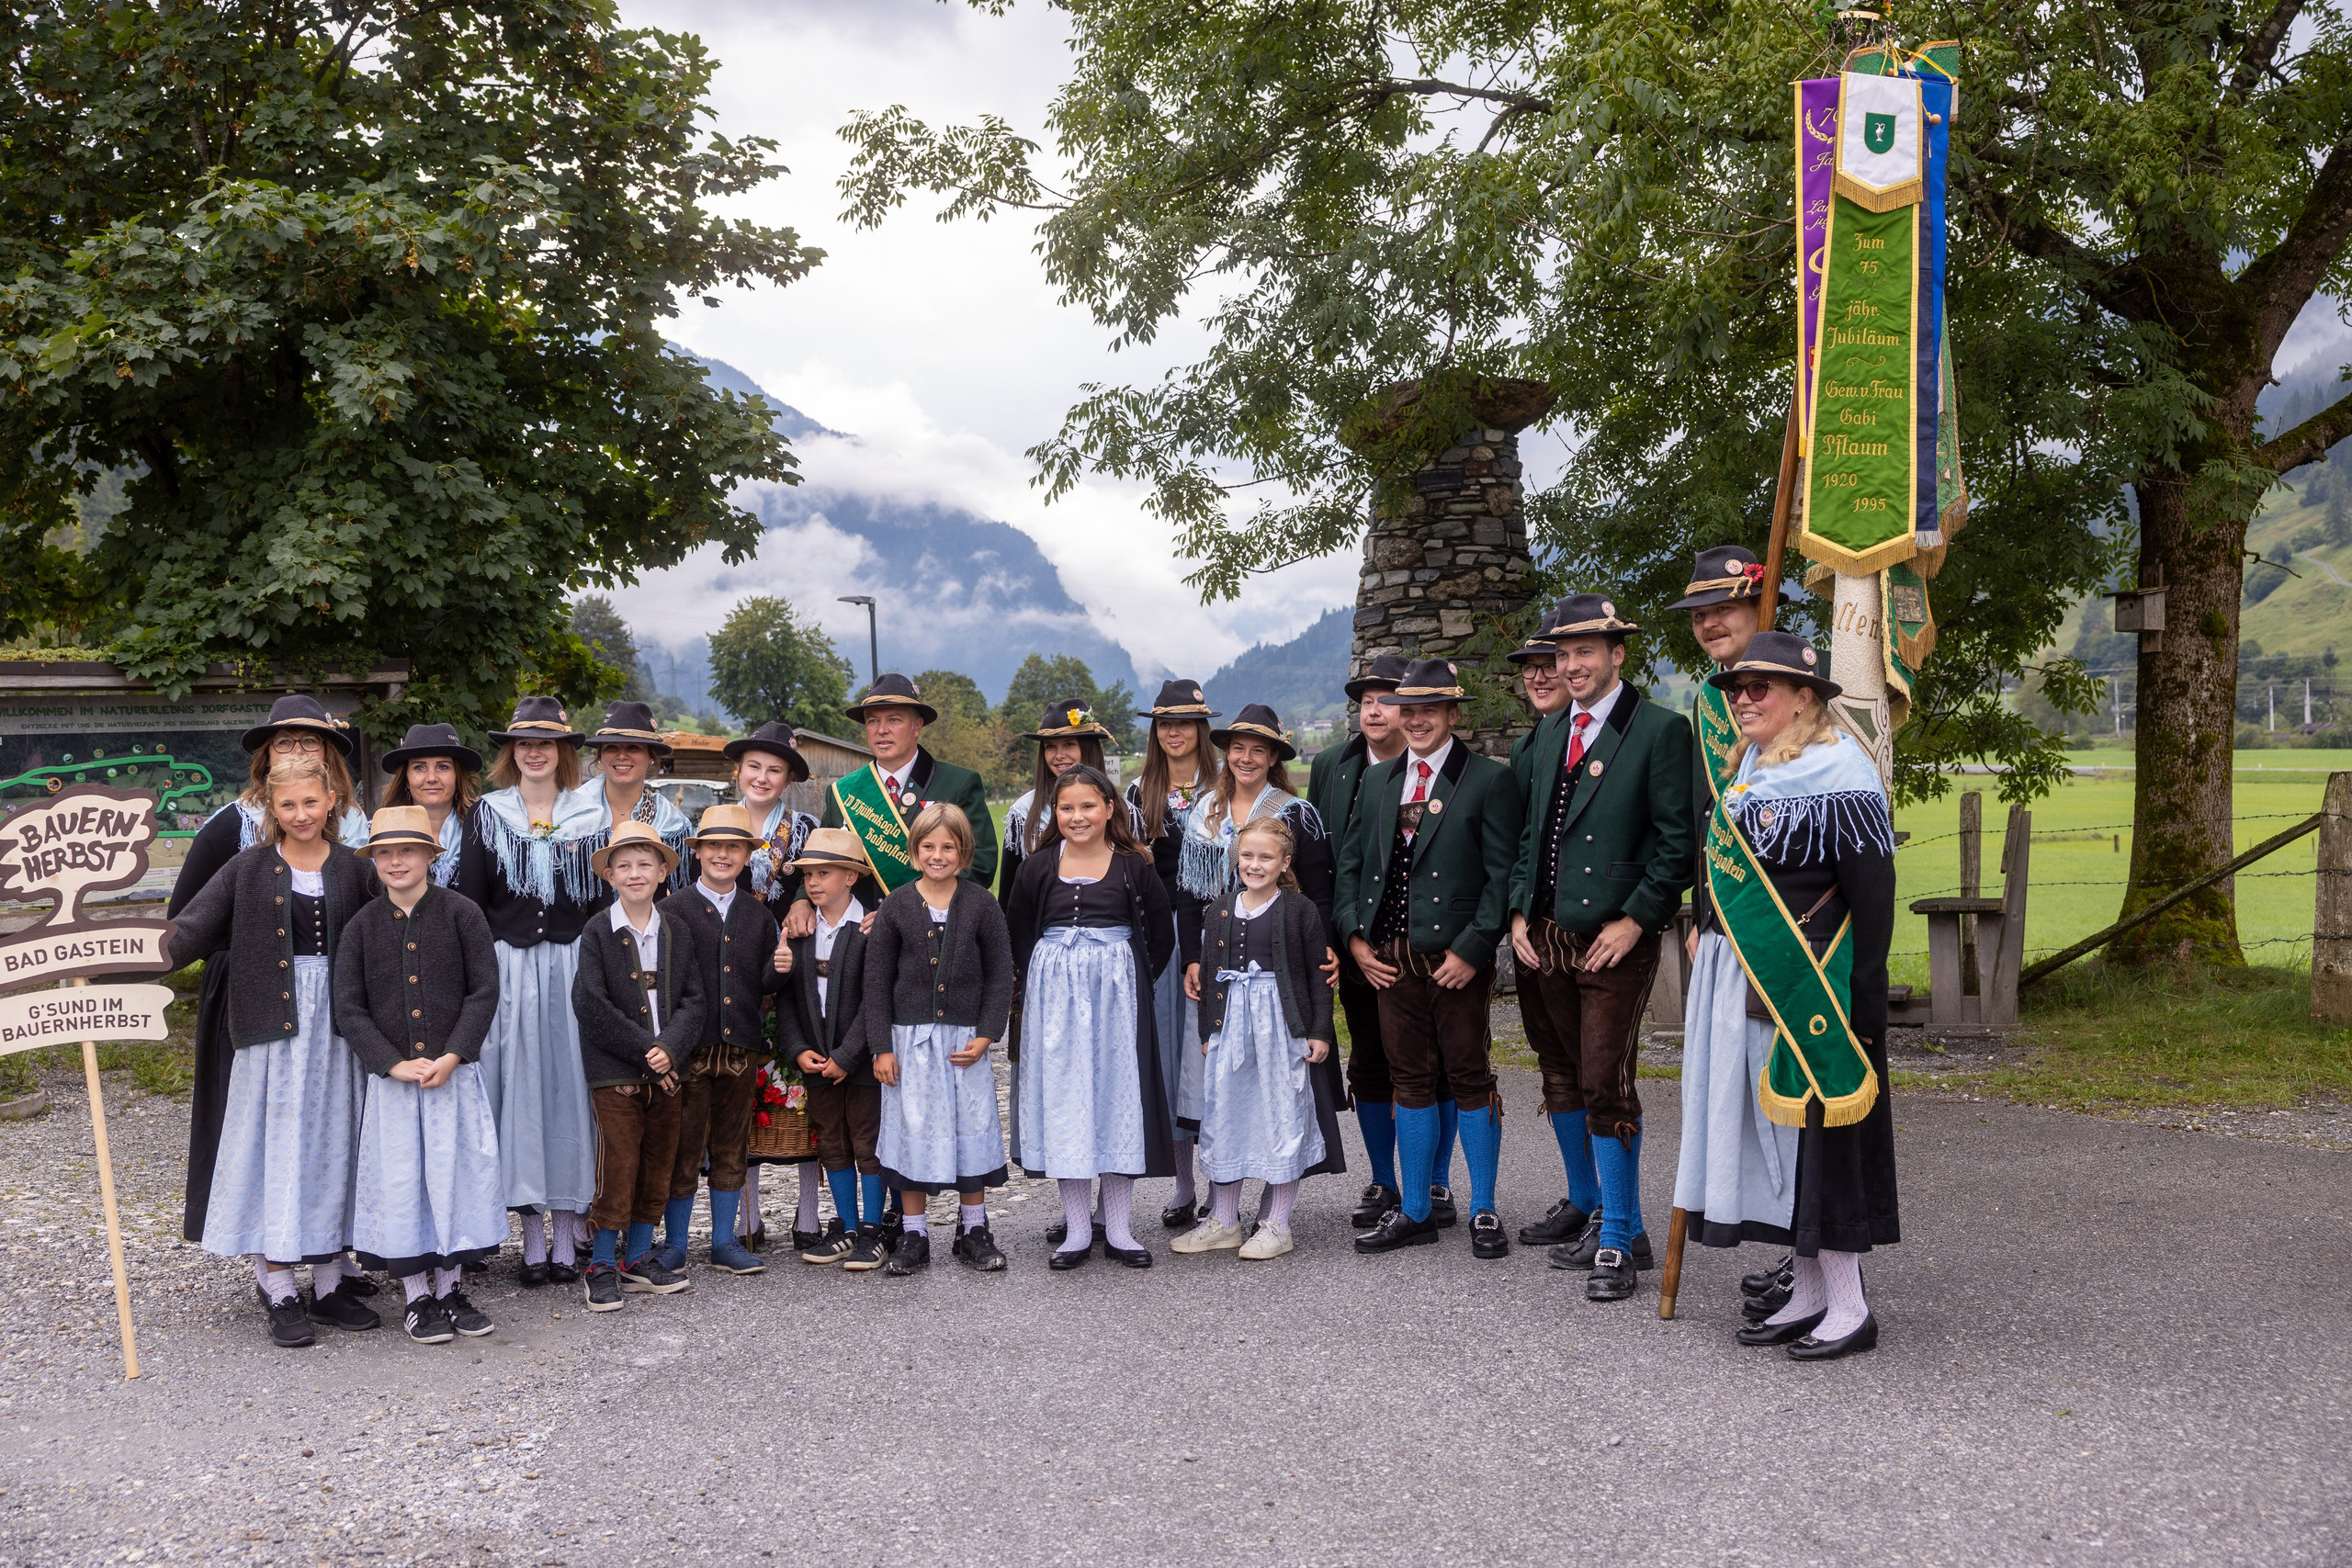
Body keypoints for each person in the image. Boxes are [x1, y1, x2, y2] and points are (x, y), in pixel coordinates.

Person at [1700, 631, 1898, 1360]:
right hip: (1769, 985)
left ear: (1805, 698)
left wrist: (1865, 1005)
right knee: (1795, 1146)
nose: (1744, 698)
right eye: (1737, 688)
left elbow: (1873, 898)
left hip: (1823, 988)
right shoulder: (1751, 767)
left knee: (1829, 1146)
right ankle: (1809, 1293)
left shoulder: (1841, 772)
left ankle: (1851, 1308)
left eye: (1761, 688)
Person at [1504, 594, 1696, 1302]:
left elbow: (1679, 844)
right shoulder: (1552, 733)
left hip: (1615, 937)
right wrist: (1520, 914)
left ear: (1618, 654)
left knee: (1603, 1082)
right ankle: (1598, 1212)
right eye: (1563, 653)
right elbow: (1530, 837)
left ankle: (1621, 1238)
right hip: (1543, 936)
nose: (1572, 664)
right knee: (1558, 1075)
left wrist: (1638, 920)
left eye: (1586, 651)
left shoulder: (1659, 731)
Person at [165, 751, 380, 1348]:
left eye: (311, 801)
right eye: (288, 804)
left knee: (335, 1142)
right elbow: (190, 927)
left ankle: (332, 1276)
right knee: (277, 1147)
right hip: (272, 1034)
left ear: (331, 800)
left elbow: (387, 937)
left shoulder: (352, 868)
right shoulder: (247, 868)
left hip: (337, 1032)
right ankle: (279, 1281)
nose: (301, 813)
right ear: (270, 807)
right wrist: (125, 954)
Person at [1336, 660, 1523, 1260]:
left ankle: (1484, 1208)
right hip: (1390, 959)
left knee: (1469, 1076)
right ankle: (1415, 1208)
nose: (1415, 718)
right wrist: (1357, 941)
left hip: (1455, 960)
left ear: (1452, 714)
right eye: (1406, 707)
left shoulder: (1489, 780)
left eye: (1428, 709)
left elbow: (1504, 875)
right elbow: (1351, 870)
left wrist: (1474, 948)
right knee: (1409, 1080)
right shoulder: (1380, 780)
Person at [1664, 545, 1797, 1315]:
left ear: (1761, 603)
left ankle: (1810, 1249)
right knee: (1737, 1094)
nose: (1710, 622)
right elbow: (1703, 821)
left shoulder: (1800, 700)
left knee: (1791, 1092)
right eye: (1700, 613)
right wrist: (1701, 911)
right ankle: (1790, 1245)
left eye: (1724, 607)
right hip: (1724, 931)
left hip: (1786, 932)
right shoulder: (1712, 703)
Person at [334, 807, 506, 1345]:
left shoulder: (461, 913)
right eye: (384, 852)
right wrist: (388, 1061)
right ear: (374, 861)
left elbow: (483, 990)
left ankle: (452, 1287)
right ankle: (416, 1297)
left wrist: (454, 1053)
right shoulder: (361, 926)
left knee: (454, 1176)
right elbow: (349, 1007)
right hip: (394, 1085)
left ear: (432, 854)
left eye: (407, 850)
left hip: (451, 1078)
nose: (395, 861)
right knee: (402, 1181)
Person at [454, 696, 604, 1285]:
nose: (534, 752)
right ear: (511, 752)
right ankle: (532, 1236)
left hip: (571, 967)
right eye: (524, 742)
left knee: (568, 1089)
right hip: (509, 969)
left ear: (564, 752)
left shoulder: (590, 816)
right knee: (516, 1093)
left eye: (546, 742)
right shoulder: (488, 814)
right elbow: (470, 901)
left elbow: (602, 903)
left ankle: (568, 1233)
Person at [1006, 765, 1177, 1271]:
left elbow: (1161, 940)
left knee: (1116, 1099)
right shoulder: (1036, 868)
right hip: (1055, 1001)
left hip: (1118, 1003)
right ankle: (1078, 1228)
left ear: (1108, 810)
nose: (1077, 816)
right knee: (1068, 1102)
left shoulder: (1133, 866)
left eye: (1087, 806)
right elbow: (1018, 932)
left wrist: (1129, 979)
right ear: (1054, 813)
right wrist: (1042, 978)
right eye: (1066, 808)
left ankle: (1120, 1228)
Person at [1308, 654, 1458, 1231]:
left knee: (1432, 1062)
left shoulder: (1445, 770)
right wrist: (1340, 939)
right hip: (1360, 944)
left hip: (1426, 945)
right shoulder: (1333, 765)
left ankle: (1436, 1181)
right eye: (1367, 699)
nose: (1375, 709)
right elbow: (1325, 863)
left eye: (1389, 698)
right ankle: (1385, 1179)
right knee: (1370, 1057)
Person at [1178, 705, 1336, 1222]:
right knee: (1224, 1083)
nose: (1246, 758)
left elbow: (1319, 890)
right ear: (1227, 753)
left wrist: (1325, 947)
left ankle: (1275, 1210)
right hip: (1220, 960)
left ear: (1273, 758)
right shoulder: (1204, 810)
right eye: (1238, 748)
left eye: (1258, 750)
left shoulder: (1293, 812)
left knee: (1277, 1086)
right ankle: (1220, 1207)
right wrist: (1193, 958)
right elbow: (1186, 893)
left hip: (1279, 959)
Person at [1171, 817, 1343, 1261]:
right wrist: (1209, 1029)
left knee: (1282, 1118)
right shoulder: (1221, 909)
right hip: (1231, 1028)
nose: (1255, 864)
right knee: (1226, 1118)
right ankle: (1224, 1221)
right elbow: (1211, 977)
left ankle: (1276, 1224)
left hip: (1281, 1028)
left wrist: (1320, 1031)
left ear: (1285, 862)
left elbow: (1316, 977)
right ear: (1236, 859)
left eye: (1266, 857)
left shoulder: (1299, 909)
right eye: (1247, 855)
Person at [865, 803, 1016, 1275]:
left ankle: (973, 1229)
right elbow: (875, 981)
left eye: (948, 846)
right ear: (913, 852)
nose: (938, 854)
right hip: (908, 1043)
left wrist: (988, 1033)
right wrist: (881, 1047)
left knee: (970, 1129)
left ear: (963, 851)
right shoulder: (895, 906)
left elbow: (1000, 975)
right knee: (913, 1131)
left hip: (963, 1043)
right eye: (928, 846)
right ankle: (914, 1233)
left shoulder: (980, 905)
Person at [571, 820, 707, 1312]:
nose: (635, 873)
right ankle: (602, 1263)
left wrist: (670, 1047)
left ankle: (638, 1258)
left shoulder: (676, 931)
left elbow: (694, 1000)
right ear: (609, 875)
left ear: (663, 873)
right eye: (624, 865)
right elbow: (590, 1003)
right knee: (620, 1165)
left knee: (659, 1163)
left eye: (645, 864)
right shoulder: (597, 932)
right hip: (618, 1074)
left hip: (669, 1071)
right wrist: (646, 1051)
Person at [655, 804, 787, 1278]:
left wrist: (782, 966)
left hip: (741, 1050)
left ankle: (725, 1240)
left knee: (733, 1146)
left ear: (748, 855)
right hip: (689, 1053)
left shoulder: (758, 914)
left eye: (734, 846)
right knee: (684, 1148)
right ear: (698, 852)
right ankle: (673, 1243)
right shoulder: (672, 910)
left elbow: (765, 981)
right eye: (713, 846)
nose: (723, 854)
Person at [718, 720, 820, 1255]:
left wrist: (805, 897)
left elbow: (823, 883)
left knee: (798, 1092)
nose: (762, 777)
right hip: (732, 972)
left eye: (774, 770)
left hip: (790, 970)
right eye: (754, 766)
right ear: (739, 770)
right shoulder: (716, 825)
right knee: (742, 1095)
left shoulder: (805, 829)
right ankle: (747, 1215)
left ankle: (808, 1213)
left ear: (788, 779)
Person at [1125, 679, 1219, 1230]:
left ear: (1202, 728)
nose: (1174, 732)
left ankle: (1218, 1183)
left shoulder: (1225, 785)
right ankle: (1184, 1186)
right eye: (1165, 723)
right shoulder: (1139, 793)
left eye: (1185, 722)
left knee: (1209, 1055)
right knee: (1171, 1058)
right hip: (1164, 935)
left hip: (1217, 928)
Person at [796, 674, 997, 924]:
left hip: (933, 931)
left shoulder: (959, 783)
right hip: (859, 933)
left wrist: (909, 913)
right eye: (873, 721)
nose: (882, 730)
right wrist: (802, 900)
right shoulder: (842, 792)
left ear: (917, 726)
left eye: (894, 720)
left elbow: (981, 865)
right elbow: (821, 857)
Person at [775, 829, 888, 1269]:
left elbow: (876, 999)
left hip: (858, 1063)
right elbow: (786, 999)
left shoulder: (870, 930)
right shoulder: (799, 931)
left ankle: (874, 1231)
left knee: (868, 1142)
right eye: (808, 876)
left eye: (825, 873)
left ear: (851, 878)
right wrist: (799, 1047)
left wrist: (849, 1054)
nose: (814, 883)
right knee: (832, 1142)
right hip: (816, 1060)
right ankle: (845, 1225)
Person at [1001, 699, 1114, 897]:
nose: (1059, 755)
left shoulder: (1123, 809)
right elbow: (1009, 892)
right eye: (1050, 747)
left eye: (1069, 744)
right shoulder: (1023, 813)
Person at [578, 700, 691, 882]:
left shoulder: (672, 823)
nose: (621, 755)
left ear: (651, 756)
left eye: (633, 747)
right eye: (612, 747)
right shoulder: (573, 811)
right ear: (600, 756)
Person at [379, 722, 482, 887]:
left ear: (458, 777)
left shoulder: (482, 832)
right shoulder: (379, 833)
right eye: (419, 767)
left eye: (443, 767)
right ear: (406, 779)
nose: (432, 777)